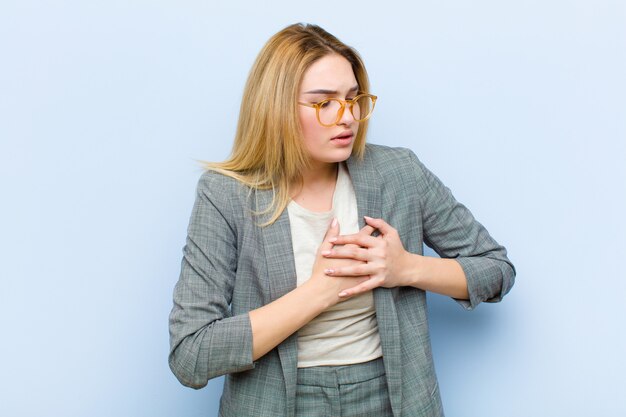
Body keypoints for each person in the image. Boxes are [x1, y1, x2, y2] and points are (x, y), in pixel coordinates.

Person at [168, 23, 515, 417]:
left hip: (393, 398)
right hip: (277, 403)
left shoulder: (399, 172)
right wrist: (318, 292)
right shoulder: (225, 195)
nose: (348, 117)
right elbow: (190, 355)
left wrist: (407, 268)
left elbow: (496, 271)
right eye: (324, 103)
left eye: (353, 99)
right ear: (276, 107)